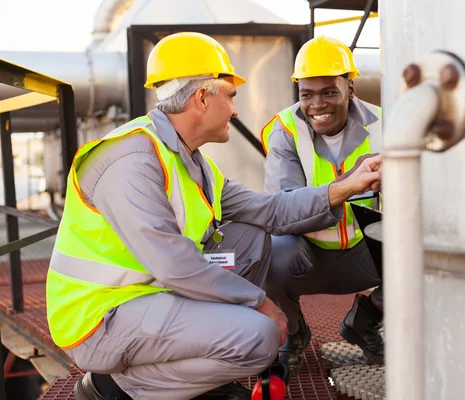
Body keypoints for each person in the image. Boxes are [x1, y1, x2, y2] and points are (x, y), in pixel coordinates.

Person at [45, 32, 382, 400]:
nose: (236, 110)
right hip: (101, 317)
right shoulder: (132, 161)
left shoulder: (191, 162)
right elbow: (176, 265)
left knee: (251, 240)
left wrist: (348, 186)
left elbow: (271, 210)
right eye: (231, 96)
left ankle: (205, 372)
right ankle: (113, 387)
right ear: (202, 98)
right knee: (260, 336)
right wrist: (260, 304)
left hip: (149, 294)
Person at [261, 36, 384, 374]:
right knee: (269, 248)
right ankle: (295, 334)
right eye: (307, 94)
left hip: (364, 253)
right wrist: (345, 188)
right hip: (306, 257)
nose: (317, 104)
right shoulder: (286, 130)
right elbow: (281, 211)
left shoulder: (385, 125)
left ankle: (366, 319)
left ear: (350, 88)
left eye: (329, 91)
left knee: (423, 244)